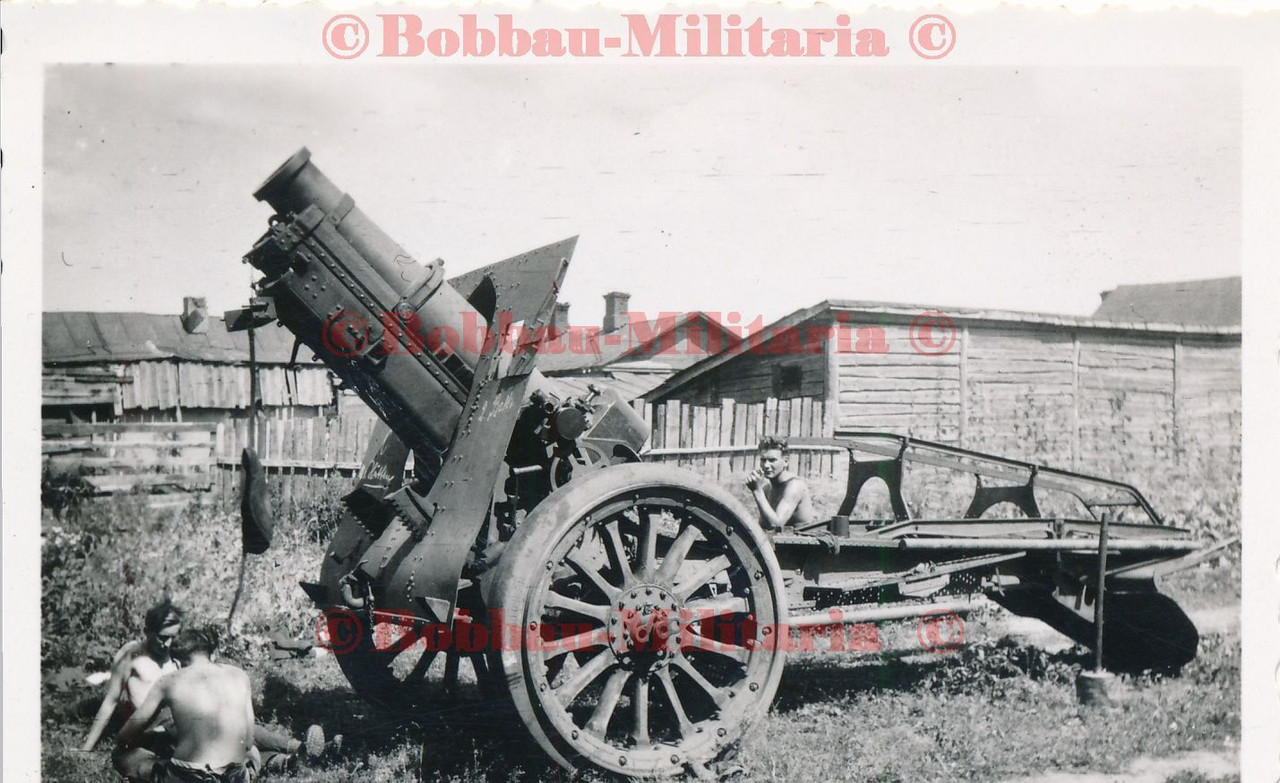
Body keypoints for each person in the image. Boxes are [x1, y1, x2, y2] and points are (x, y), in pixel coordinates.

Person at [114, 625, 260, 782]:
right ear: (209, 655)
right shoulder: (239, 675)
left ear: (176, 662)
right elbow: (248, 741)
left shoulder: (169, 681)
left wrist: (151, 738)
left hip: (188, 776)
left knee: (121, 754)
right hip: (234, 776)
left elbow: (125, 736)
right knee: (253, 753)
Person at [82, 598, 184, 752]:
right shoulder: (133, 654)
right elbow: (111, 701)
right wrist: (86, 748)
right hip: (144, 730)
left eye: (173, 637)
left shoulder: (177, 655)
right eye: (163, 638)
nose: (168, 644)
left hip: (174, 727)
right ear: (147, 632)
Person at [745, 436, 819, 532]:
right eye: (763, 460)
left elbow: (776, 525)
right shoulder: (767, 489)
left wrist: (757, 491)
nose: (766, 465)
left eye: (772, 460)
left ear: (786, 461)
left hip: (801, 544)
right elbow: (764, 526)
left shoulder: (794, 486)